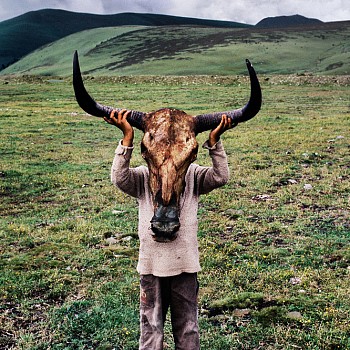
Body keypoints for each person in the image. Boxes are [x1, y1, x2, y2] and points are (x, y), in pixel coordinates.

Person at [105, 109, 232, 350]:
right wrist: (127, 140)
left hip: (185, 266)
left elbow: (220, 176)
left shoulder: (193, 176)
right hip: (151, 268)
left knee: (188, 327)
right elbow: (119, 178)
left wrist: (215, 144)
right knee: (151, 328)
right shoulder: (143, 178)